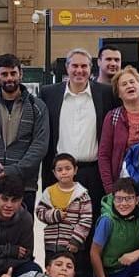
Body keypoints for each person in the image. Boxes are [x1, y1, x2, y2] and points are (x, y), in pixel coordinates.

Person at [40, 49, 115, 217]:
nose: (79, 70)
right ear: (67, 68)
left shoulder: (106, 94)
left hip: (94, 173)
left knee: (93, 225)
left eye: (84, 66)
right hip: (61, 174)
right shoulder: (49, 94)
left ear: (91, 69)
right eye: (75, 65)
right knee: (62, 225)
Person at [0, 53, 49, 210]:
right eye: (4, 74)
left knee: (22, 231)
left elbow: (39, 146)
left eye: (13, 73)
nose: (9, 78)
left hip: (24, 184)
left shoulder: (37, 107)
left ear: (20, 74)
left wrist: (14, 171)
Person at [98, 66, 139, 195]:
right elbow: (104, 155)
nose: (129, 86)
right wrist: (110, 189)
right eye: (124, 84)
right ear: (119, 93)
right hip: (124, 185)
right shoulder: (112, 117)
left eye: (132, 82)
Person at [35, 153, 93, 264]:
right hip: (52, 245)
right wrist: (55, 215)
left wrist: (76, 241)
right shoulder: (49, 191)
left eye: (68, 168)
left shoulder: (82, 194)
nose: (64, 172)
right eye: (60, 170)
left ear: (75, 170)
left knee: (73, 275)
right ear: (54, 173)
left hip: (72, 246)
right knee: (52, 272)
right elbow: (40, 212)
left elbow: (86, 220)